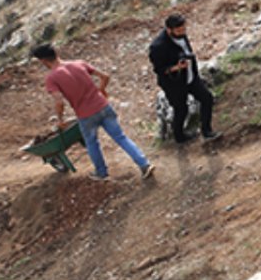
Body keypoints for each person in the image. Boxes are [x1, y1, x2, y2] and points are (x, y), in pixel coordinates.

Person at [31, 44, 154, 181]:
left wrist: (60, 120)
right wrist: (102, 91)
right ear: (56, 52)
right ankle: (144, 164)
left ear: (42, 60)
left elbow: (59, 101)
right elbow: (105, 76)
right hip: (104, 106)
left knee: (92, 143)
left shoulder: (52, 78)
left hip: (86, 115)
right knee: (120, 137)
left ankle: (101, 173)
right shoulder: (79, 63)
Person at [149, 14, 219, 144]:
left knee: (207, 98)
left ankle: (207, 130)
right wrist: (175, 67)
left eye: (183, 29)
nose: (182, 32)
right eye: (179, 30)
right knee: (181, 109)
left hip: (191, 77)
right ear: (169, 29)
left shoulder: (181, 35)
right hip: (173, 83)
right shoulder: (158, 46)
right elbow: (158, 69)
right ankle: (179, 137)